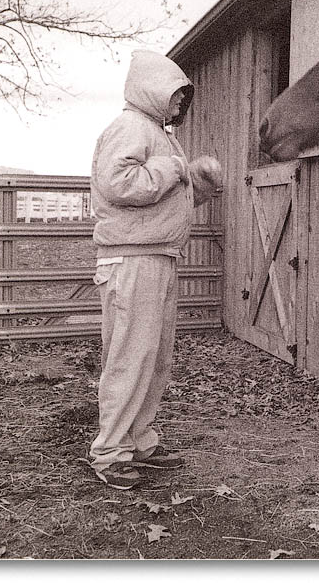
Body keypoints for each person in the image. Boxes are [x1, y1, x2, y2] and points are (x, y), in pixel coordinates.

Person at [88, 49, 222, 489]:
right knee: (131, 356)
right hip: (132, 259)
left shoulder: (156, 133)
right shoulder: (130, 127)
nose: (180, 104)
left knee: (153, 356)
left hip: (155, 254)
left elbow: (157, 199)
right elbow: (120, 184)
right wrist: (175, 168)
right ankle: (110, 452)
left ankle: (138, 441)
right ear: (153, 90)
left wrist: (197, 185)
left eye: (184, 97)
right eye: (175, 95)